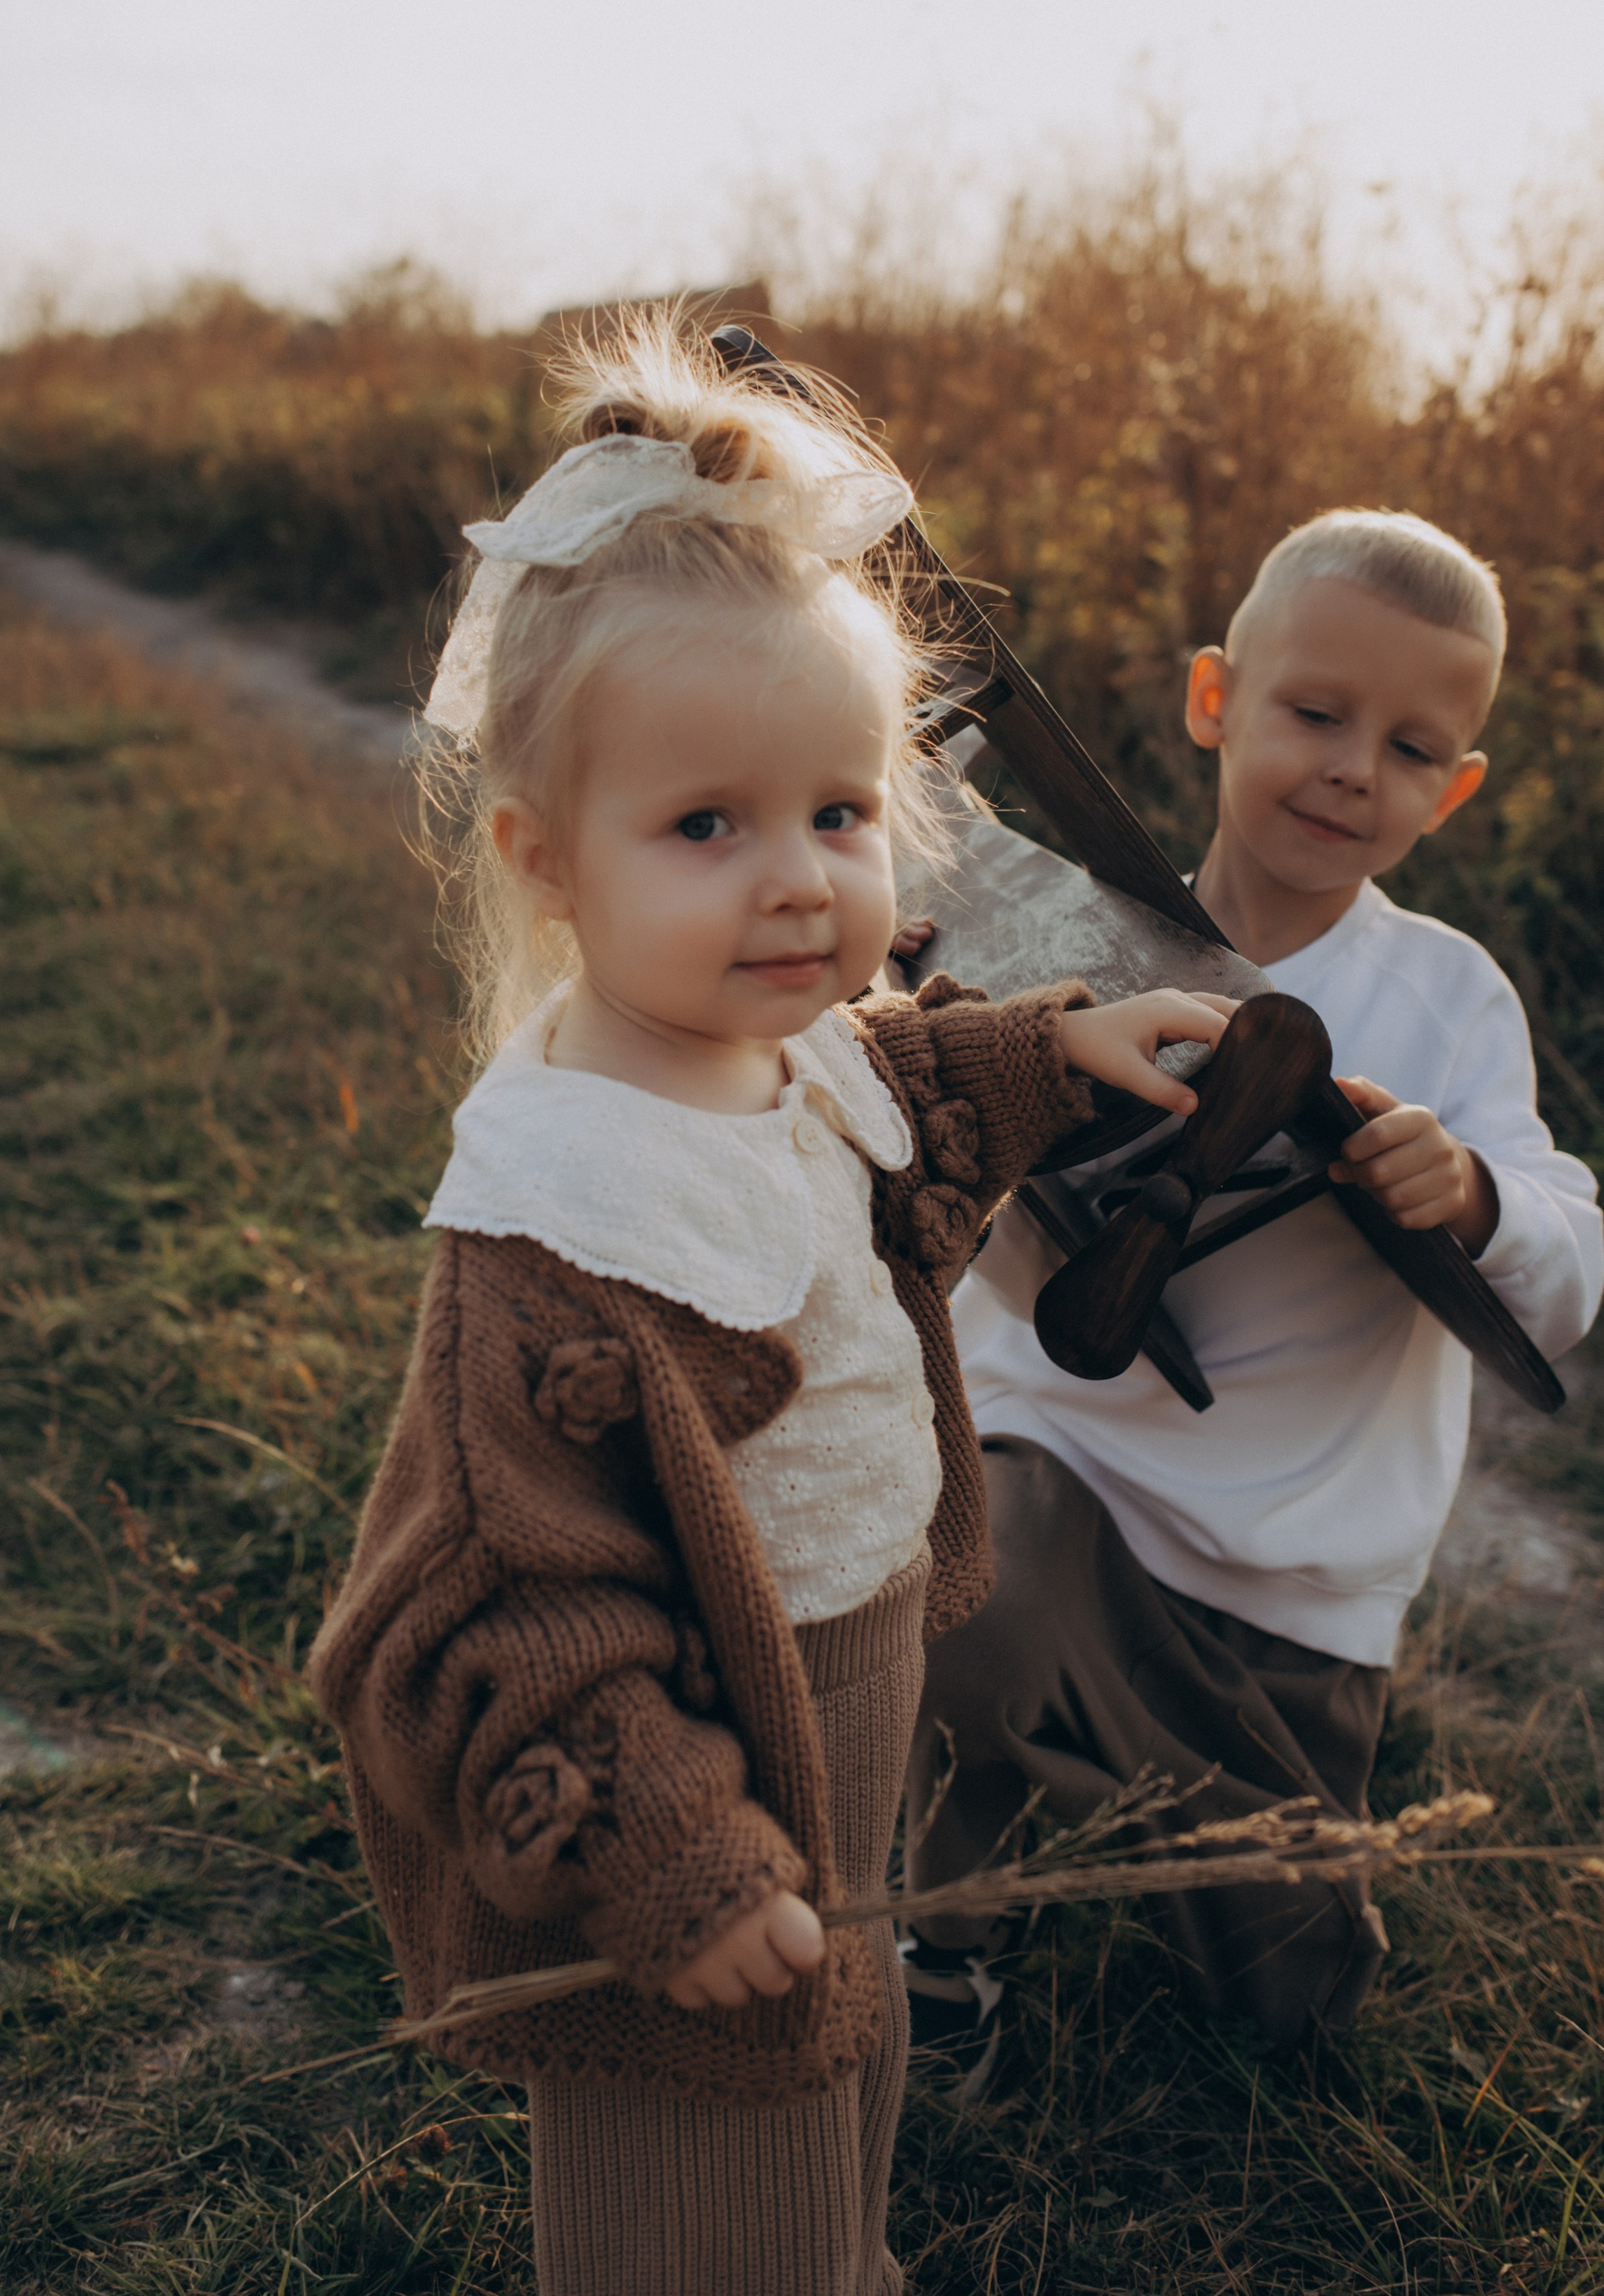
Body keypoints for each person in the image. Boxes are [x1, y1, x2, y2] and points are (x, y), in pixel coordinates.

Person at [307, 316, 1232, 2296]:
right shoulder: (570, 1212)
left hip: (852, 1658)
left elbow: (898, 1093)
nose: (803, 882)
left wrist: (1068, 1055)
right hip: (690, 1739)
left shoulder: (774, 1045)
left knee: (836, 2051)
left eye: (838, 812)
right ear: (547, 864)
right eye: (706, 828)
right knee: (707, 2130)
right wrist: (665, 1857)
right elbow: (511, 1591)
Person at [902, 509, 1604, 2072]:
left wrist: (1476, 1196)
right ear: (1213, 702)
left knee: (1285, 2024)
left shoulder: (1443, 999)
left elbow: (1564, 1279)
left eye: (1412, 747)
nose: (1355, 767)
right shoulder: (1080, 932)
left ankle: (1236, 1873)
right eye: (1313, 713)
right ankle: (945, 1933)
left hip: (1285, 1579)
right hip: (1060, 1469)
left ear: (1454, 790)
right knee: (964, 1607)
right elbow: (938, 1126)